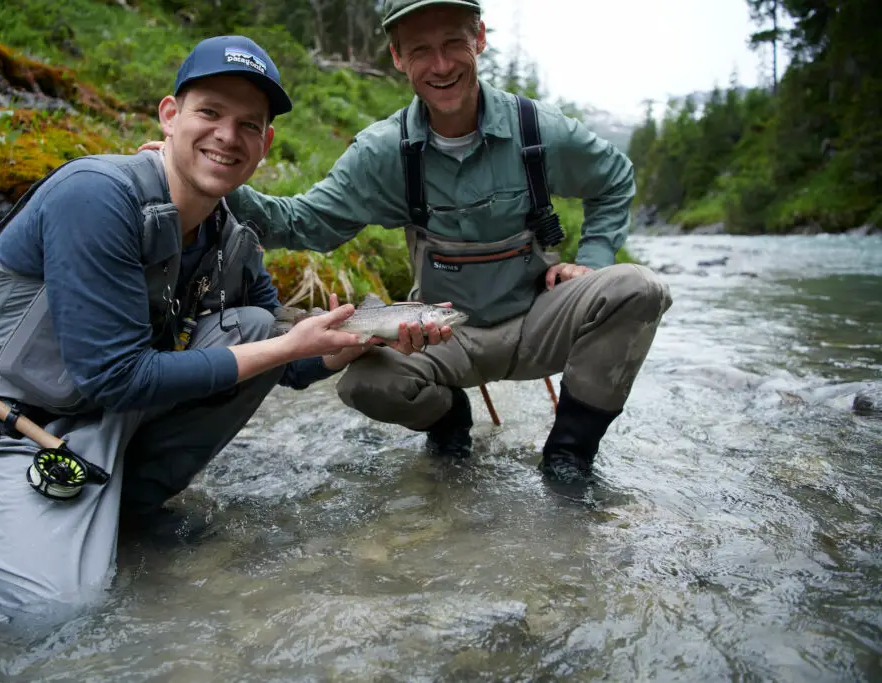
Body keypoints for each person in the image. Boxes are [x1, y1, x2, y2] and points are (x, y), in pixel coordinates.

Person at [0, 35, 378, 624]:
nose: (228, 137)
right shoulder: (96, 196)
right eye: (210, 113)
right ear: (169, 115)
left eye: (249, 125)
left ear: (266, 143)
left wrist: (345, 345)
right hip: (10, 420)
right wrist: (287, 344)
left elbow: (283, 361)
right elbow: (115, 375)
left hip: (110, 415)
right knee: (49, 616)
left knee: (259, 324)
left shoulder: (231, 233)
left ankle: (127, 503)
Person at [142, 0, 673, 483]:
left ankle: (569, 459)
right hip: (441, 333)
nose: (440, 66)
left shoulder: (540, 130)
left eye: (452, 44)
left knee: (638, 287)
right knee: (361, 384)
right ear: (398, 57)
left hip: (539, 319)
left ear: (480, 39)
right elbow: (303, 223)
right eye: (421, 50)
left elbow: (615, 178)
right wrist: (200, 175)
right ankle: (449, 422)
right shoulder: (382, 153)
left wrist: (594, 259)